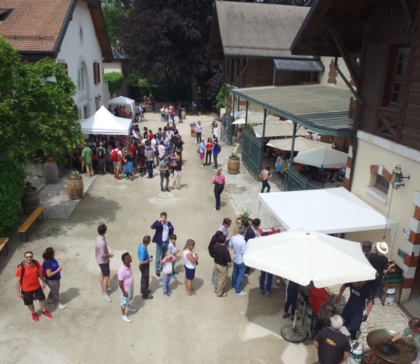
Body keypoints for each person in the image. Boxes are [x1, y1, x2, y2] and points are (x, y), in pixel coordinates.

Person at [15, 251, 53, 322]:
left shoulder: (36, 262)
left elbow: (39, 272)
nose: (29, 258)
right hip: (26, 289)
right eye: (27, 257)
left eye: (30, 257)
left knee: (42, 299)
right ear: (24, 258)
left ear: (32, 257)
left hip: (37, 286)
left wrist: (43, 282)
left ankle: (44, 311)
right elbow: (18, 281)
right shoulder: (20, 268)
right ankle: (33, 313)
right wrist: (18, 292)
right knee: (30, 302)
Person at [151, 212, 175, 277]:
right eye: (162, 217)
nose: (164, 219)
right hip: (159, 243)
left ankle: (163, 266)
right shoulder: (158, 224)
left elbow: (172, 229)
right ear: (161, 217)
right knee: (158, 258)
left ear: (166, 217)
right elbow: (152, 227)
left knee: (164, 256)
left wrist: (169, 237)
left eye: (165, 217)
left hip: (166, 243)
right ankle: (157, 270)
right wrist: (158, 220)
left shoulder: (168, 223)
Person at [95, 224, 114, 302]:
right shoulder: (102, 242)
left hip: (99, 260)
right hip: (103, 261)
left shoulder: (98, 237)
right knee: (107, 277)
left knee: (102, 273)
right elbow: (103, 255)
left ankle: (103, 288)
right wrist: (109, 255)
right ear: (105, 231)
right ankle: (105, 294)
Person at [118, 252, 137, 323]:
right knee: (124, 302)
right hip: (125, 289)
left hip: (130, 287)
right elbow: (120, 282)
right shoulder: (122, 270)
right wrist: (124, 292)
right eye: (130, 258)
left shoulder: (129, 265)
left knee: (129, 298)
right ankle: (123, 316)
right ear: (126, 260)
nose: (131, 258)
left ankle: (128, 307)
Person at [230, 225, 247, 296]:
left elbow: (231, 246)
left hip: (235, 258)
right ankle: (238, 290)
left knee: (234, 272)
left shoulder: (233, 237)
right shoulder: (243, 241)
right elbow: (243, 252)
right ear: (244, 232)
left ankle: (233, 284)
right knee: (240, 275)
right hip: (240, 260)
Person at [138, 235, 154, 300]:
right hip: (144, 266)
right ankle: (145, 295)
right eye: (150, 240)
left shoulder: (141, 244)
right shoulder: (143, 250)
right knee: (145, 280)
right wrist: (148, 260)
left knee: (144, 279)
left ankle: (144, 290)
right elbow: (141, 262)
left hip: (145, 265)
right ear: (148, 242)